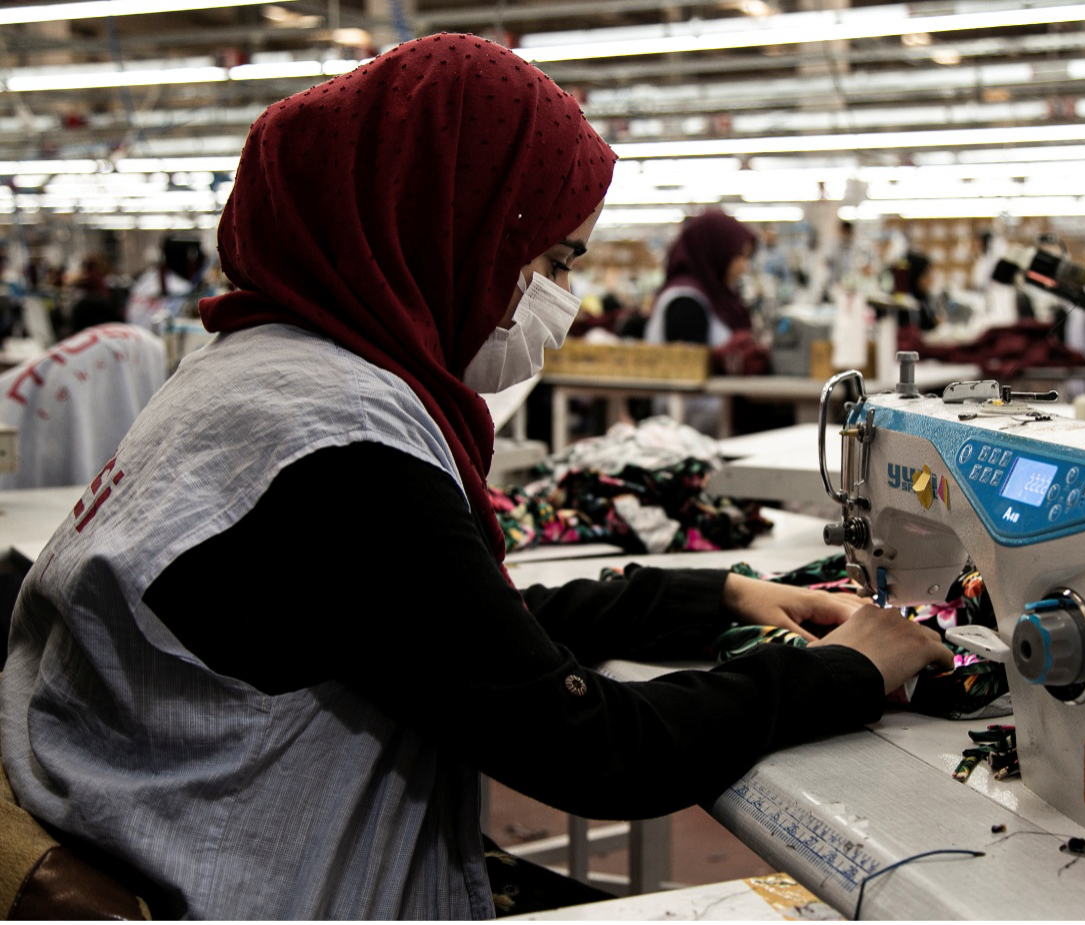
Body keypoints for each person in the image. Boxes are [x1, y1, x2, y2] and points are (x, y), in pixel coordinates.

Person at [1, 35, 952, 921]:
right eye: (547, 260)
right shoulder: (338, 445)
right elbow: (593, 750)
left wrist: (719, 593)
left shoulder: (249, 379)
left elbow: (452, 634)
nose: (560, 301)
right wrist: (844, 673)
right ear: (444, 232)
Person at [644, 209, 757, 348]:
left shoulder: (713, 295)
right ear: (715, 250)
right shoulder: (685, 302)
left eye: (747, 257)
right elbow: (688, 366)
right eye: (739, 255)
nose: (743, 266)